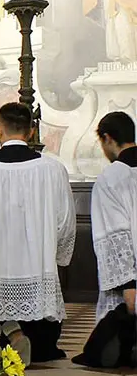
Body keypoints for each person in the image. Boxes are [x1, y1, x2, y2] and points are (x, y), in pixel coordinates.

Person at [0, 102, 76, 366]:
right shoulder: (53, 170)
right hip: (36, 267)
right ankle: (20, 335)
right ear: (31, 132)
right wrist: (55, 259)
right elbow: (65, 223)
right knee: (40, 323)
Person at [73, 111, 137, 368]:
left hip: (130, 284)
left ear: (108, 138)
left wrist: (130, 286)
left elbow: (115, 235)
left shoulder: (112, 178)